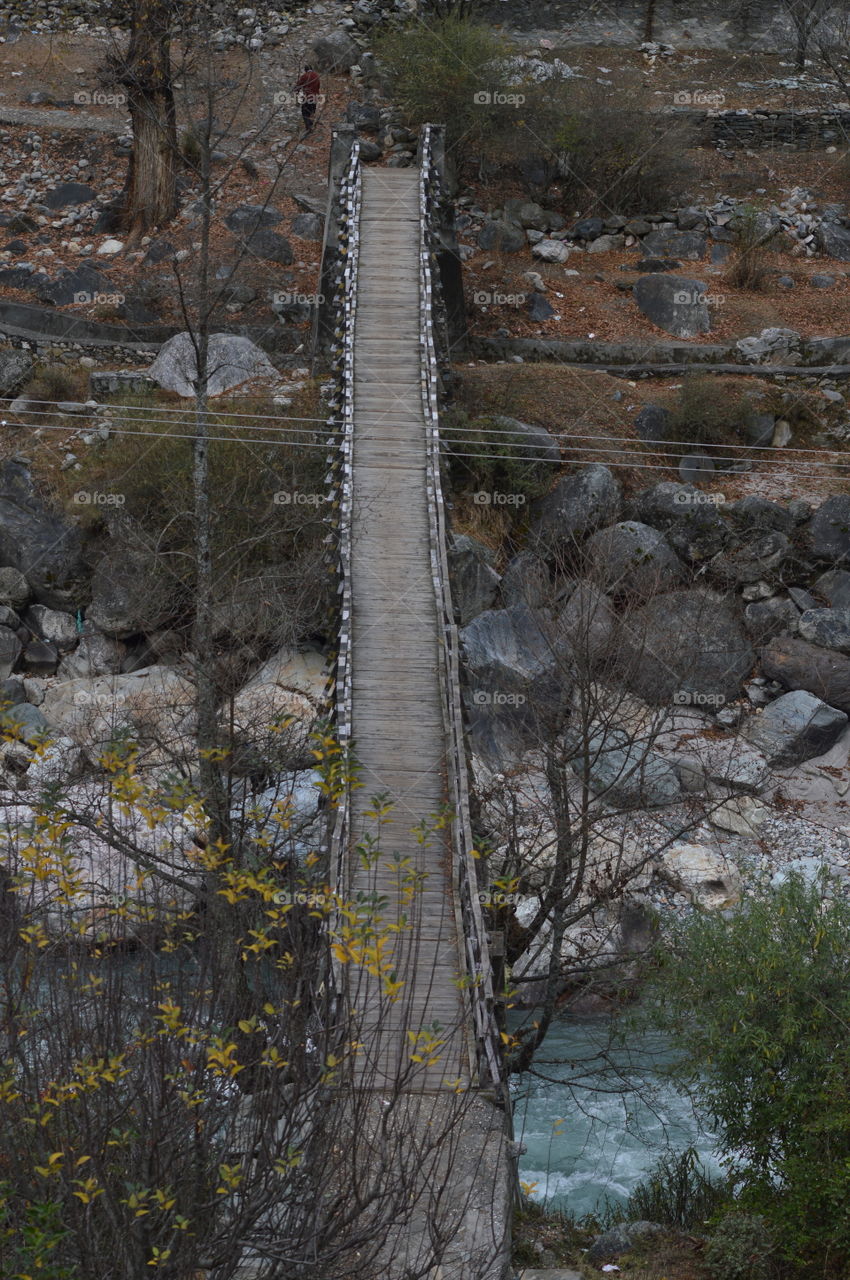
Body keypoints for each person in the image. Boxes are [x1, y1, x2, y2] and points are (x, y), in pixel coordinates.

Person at [295, 64, 321, 133]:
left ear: (305, 70)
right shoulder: (316, 75)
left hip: (307, 97)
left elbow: (298, 86)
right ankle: (311, 124)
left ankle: (308, 127)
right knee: (312, 111)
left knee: (304, 112)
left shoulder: (304, 76)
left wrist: (296, 91)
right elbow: (318, 86)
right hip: (314, 97)